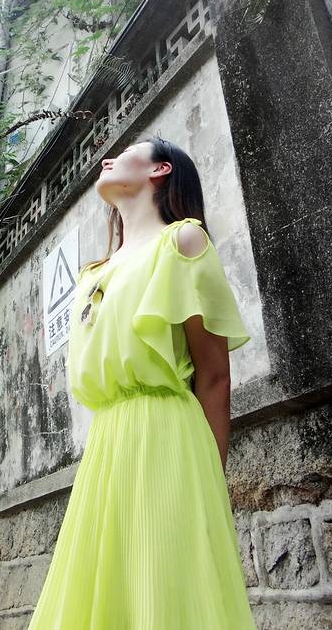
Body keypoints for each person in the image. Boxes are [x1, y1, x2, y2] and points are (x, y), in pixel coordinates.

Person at [28, 135, 256, 629]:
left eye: (128, 152)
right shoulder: (93, 272)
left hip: (168, 436)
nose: (107, 159)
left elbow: (214, 376)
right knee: (103, 593)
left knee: (164, 585)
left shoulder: (183, 243)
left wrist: (210, 481)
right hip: (106, 443)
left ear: (160, 170)